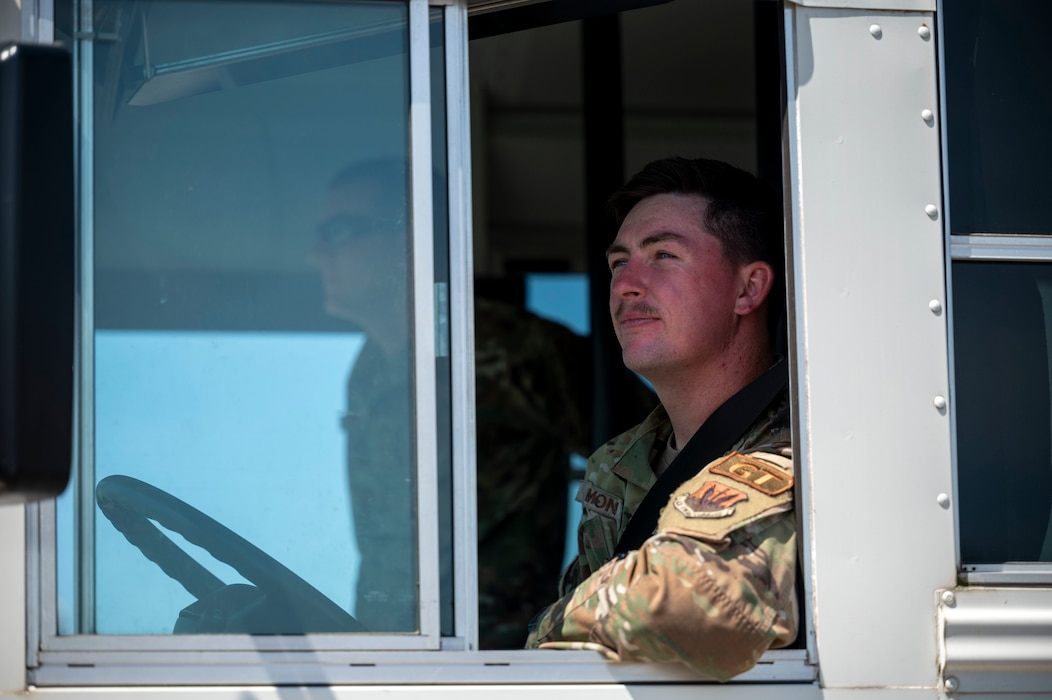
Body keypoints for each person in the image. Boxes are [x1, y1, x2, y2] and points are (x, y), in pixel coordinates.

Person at [525, 156, 796, 681]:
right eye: (617, 262)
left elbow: (701, 605)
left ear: (748, 289)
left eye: (664, 255)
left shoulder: (793, 447)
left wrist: (546, 631)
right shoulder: (618, 463)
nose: (627, 284)